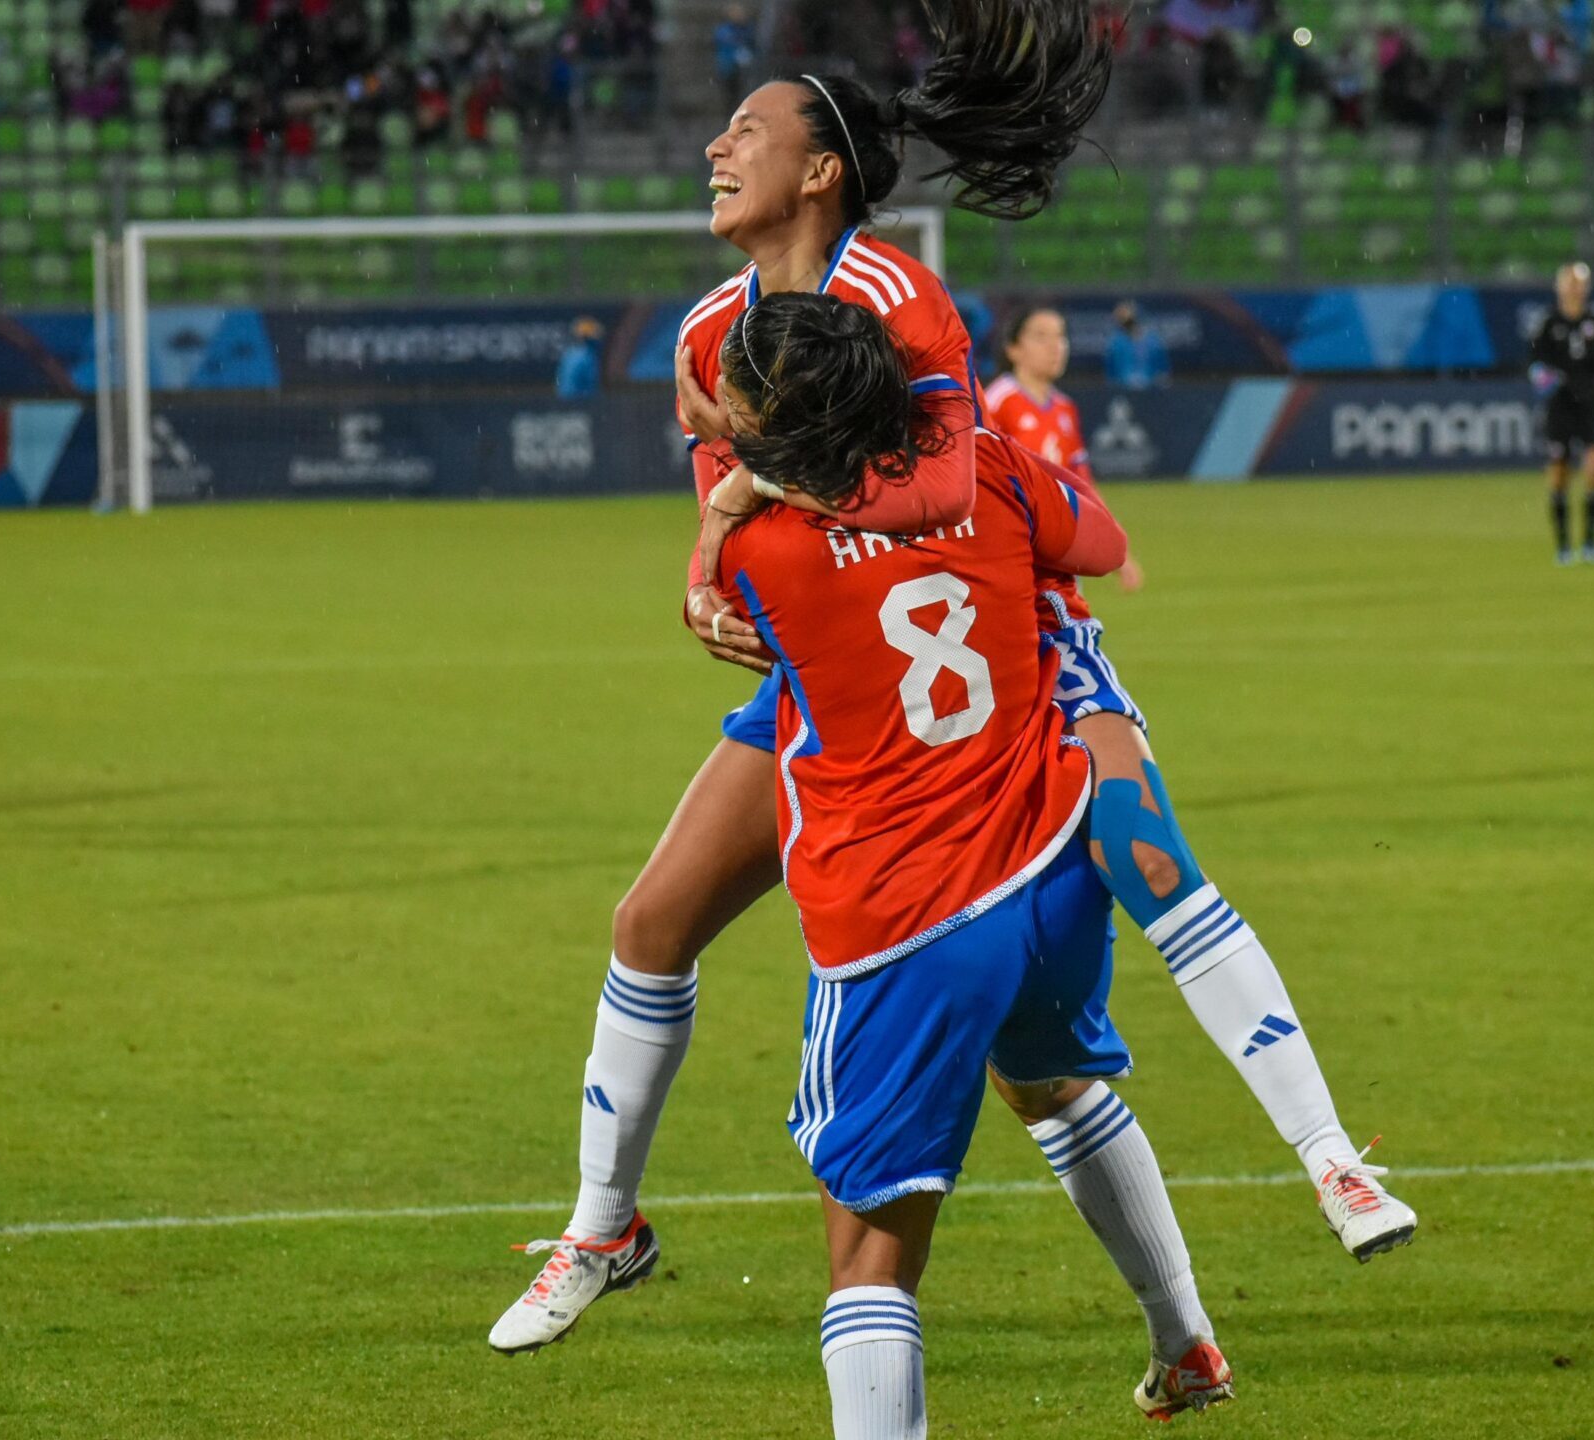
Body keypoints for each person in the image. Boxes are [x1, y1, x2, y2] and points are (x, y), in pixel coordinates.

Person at [493, 0, 1411, 1369]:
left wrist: (754, 478)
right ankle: (602, 1227)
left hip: (983, 679)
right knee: (653, 920)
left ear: (820, 172)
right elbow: (746, 534)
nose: (712, 143)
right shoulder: (704, 332)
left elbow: (933, 489)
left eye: (747, 128)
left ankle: (1294, 1198)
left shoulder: (898, 301)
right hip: (831, 683)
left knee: (1061, 1021)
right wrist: (709, 566)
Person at [706, 293, 1225, 1434]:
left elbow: (740, 568)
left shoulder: (760, 556)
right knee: (1046, 1080)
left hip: (903, 907)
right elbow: (1092, 542)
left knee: (870, 1247)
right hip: (1046, 861)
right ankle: (1183, 1333)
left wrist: (729, 506)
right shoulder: (986, 473)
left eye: (736, 391)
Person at [983, 303, 1143, 591]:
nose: (1055, 346)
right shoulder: (996, 402)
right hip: (1013, 549)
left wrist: (1116, 545)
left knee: (1070, 631)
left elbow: (1082, 482)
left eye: (1060, 336)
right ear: (1013, 349)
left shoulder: (1064, 409)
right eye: (1041, 336)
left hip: (1060, 544)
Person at [1529, 262, 1594, 566]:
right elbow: (1535, 366)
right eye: (1570, 282)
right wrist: (1548, 379)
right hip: (1560, 406)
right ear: (1559, 287)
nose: (1575, 288)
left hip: (1589, 404)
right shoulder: (1548, 322)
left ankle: (1590, 544)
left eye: (1580, 283)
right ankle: (1563, 546)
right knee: (1559, 473)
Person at [1104, 300, 1168, 389]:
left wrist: (1161, 384)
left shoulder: (1153, 341)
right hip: (1124, 388)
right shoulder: (1116, 343)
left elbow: (1162, 370)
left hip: (1150, 391)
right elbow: (1112, 372)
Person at [554, 316, 603, 398]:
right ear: (587, 338)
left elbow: (558, 381)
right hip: (580, 403)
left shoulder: (568, 354)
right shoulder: (588, 356)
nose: (599, 340)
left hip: (563, 402)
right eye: (595, 337)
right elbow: (590, 385)